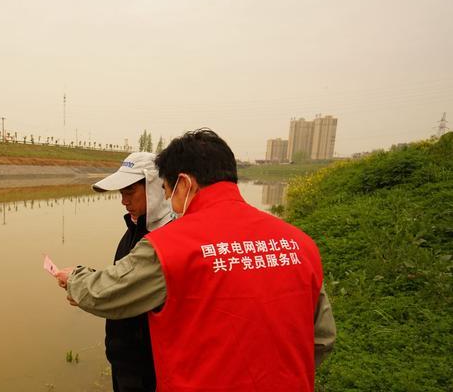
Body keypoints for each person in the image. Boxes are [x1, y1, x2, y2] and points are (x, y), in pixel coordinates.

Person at [57, 129, 336, 392]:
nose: (167, 199)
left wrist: (74, 278)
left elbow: (106, 293)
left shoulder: (170, 246)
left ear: (184, 183)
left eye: (167, 189)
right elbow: (322, 339)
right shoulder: (299, 244)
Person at [89, 151, 174, 392]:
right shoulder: (134, 229)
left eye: (129, 193)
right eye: (121, 194)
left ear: (155, 189)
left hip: (151, 368)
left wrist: (82, 283)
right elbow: (124, 280)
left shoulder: (168, 239)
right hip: (124, 362)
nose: (124, 201)